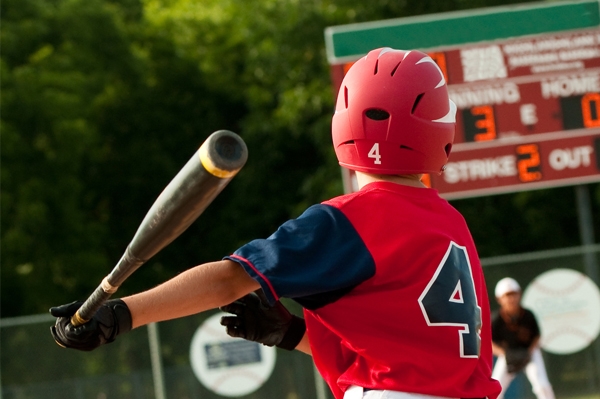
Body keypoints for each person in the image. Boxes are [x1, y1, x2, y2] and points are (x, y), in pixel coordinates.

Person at [50, 47, 501, 399]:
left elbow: (228, 281)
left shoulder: (347, 221)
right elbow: (400, 355)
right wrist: (291, 334)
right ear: (440, 134)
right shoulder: (451, 224)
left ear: (342, 127)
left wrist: (119, 315)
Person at [491, 277, 555, 399]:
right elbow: (490, 343)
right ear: (499, 299)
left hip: (529, 353)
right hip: (507, 355)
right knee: (495, 387)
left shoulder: (528, 315)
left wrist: (528, 352)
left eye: (514, 294)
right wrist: (505, 354)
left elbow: (537, 336)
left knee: (542, 385)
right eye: (507, 295)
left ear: (519, 294)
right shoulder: (496, 319)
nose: (511, 298)